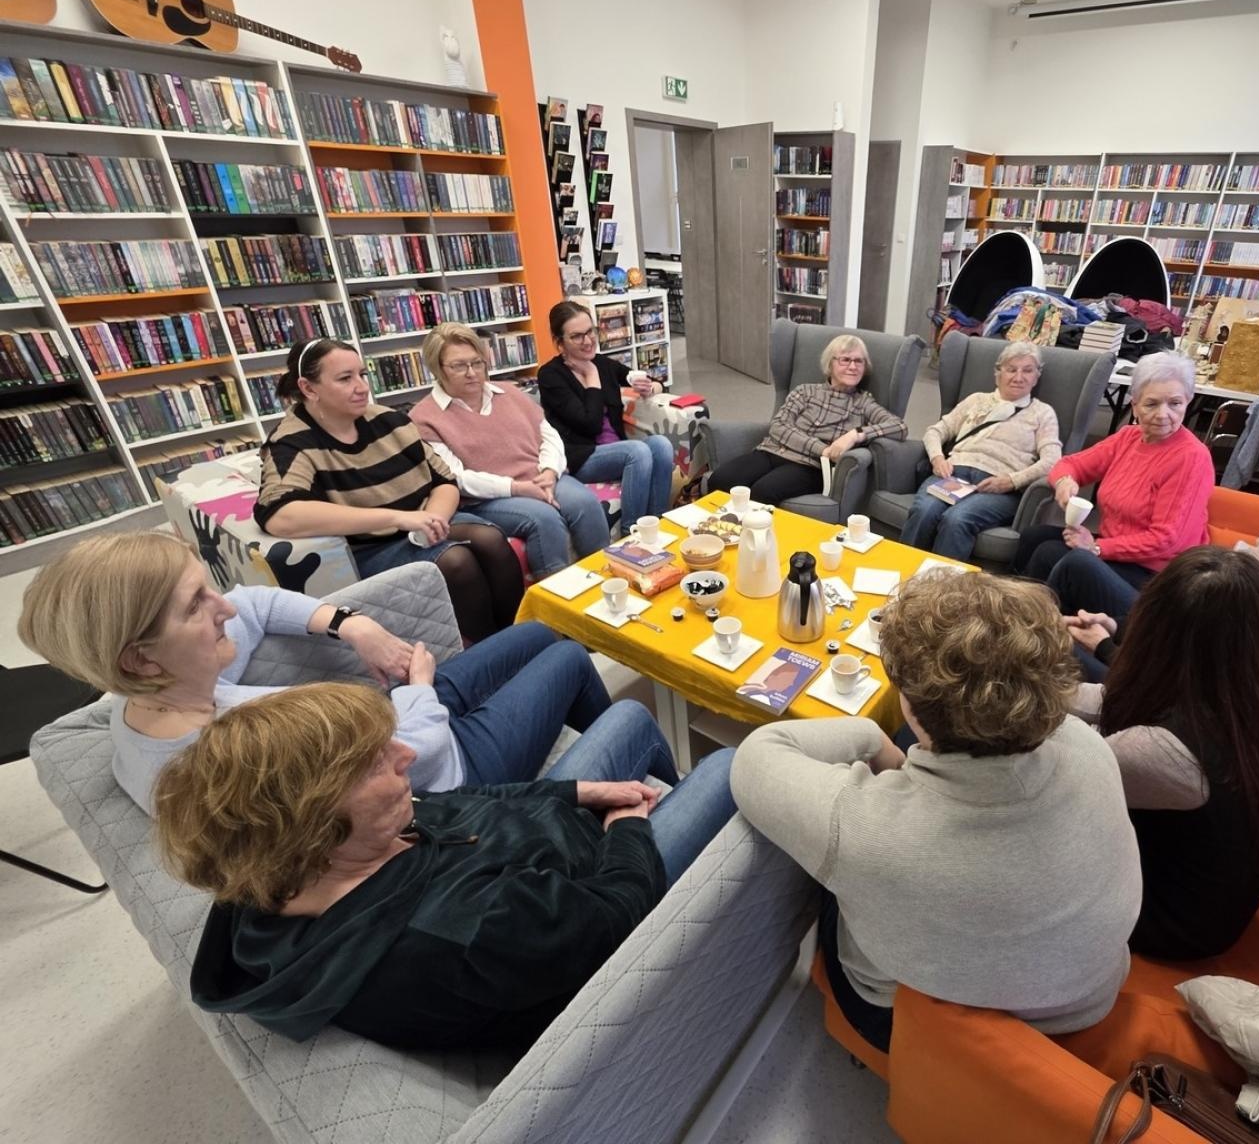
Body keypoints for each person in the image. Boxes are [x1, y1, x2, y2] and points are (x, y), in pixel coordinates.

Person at [156, 683, 738, 1049]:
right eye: (377, 762)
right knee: (740, 763)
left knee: (629, 717)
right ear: (314, 827)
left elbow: (460, 804)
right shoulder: (459, 934)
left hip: (538, 844)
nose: (407, 755)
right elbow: (616, 913)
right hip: (605, 885)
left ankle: (678, 806)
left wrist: (576, 792)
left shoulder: (309, 860)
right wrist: (628, 824)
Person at [730, 569, 1140, 1053]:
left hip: (907, 1024)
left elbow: (754, 757)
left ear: (910, 704)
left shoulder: (868, 827)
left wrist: (869, 736)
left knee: (823, 861)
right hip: (1083, 1005)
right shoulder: (1090, 749)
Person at [18, 532, 617, 815]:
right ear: (140, 657)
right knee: (566, 656)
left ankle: (595, 754)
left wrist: (351, 624)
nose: (224, 605)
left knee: (539, 631)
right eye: (196, 604)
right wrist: (420, 692)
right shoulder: (238, 750)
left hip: (394, 714)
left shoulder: (166, 689)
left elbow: (254, 603)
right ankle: (617, 775)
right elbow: (411, 758)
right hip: (439, 770)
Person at [1063, 547, 1259, 961]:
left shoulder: (1162, 752)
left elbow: (1050, 775)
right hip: (1198, 890)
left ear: (1151, 626)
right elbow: (1110, 700)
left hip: (1167, 925)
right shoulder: (1241, 695)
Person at [254, 337, 522, 641]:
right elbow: (279, 514)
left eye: (362, 375)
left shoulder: (390, 421)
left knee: (492, 539)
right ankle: (489, 650)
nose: (361, 387)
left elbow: (444, 481)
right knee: (455, 561)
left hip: (419, 524)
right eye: (345, 378)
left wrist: (432, 519)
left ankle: (514, 636)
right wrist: (397, 518)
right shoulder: (292, 442)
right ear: (308, 388)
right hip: (370, 544)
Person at [1016, 351, 1213, 627]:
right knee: (1034, 537)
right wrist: (1064, 481)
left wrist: (1096, 547)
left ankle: (1036, 626)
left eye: (1175, 403)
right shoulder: (1128, 438)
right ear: (1134, 405)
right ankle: (1030, 615)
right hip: (1119, 554)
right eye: (1152, 404)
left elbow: (1166, 540)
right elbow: (1070, 464)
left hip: (1159, 576)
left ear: (1187, 402)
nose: (1163, 414)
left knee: (1068, 561)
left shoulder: (1192, 457)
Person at [410, 322, 608, 578]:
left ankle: (607, 579)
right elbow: (455, 477)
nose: (472, 373)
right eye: (459, 366)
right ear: (438, 369)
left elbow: (549, 436)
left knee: (585, 503)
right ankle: (557, 600)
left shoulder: (510, 392)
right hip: (485, 498)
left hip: (537, 476)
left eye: (478, 362)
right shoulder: (424, 417)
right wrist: (516, 488)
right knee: (544, 519)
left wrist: (549, 471)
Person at [899, 341, 1062, 561]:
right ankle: (902, 572)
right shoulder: (977, 400)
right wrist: (938, 458)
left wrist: (1012, 481)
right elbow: (935, 431)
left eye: (1028, 370)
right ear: (998, 373)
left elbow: (1052, 460)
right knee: (924, 511)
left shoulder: (1042, 413)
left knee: (957, 519)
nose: (1019, 377)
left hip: (999, 486)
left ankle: (942, 592)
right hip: (954, 474)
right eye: (1011, 369)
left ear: (1036, 376)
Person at [706, 333, 907, 506]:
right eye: (845, 360)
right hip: (772, 451)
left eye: (859, 361)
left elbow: (899, 427)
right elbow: (778, 426)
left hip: (810, 467)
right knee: (720, 480)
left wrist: (855, 435)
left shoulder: (864, 403)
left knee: (763, 492)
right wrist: (822, 448)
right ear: (830, 364)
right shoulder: (805, 391)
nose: (853, 366)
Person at [537, 301, 674, 532]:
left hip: (618, 452)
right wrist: (591, 377)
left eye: (590, 331)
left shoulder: (603, 364)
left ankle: (655, 524)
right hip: (580, 458)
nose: (588, 341)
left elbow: (657, 382)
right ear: (560, 343)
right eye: (577, 336)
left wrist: (650, 388)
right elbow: (590, 424)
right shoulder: (551, 376)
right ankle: (631, 533)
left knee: (661, 445)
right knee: (638, 451)